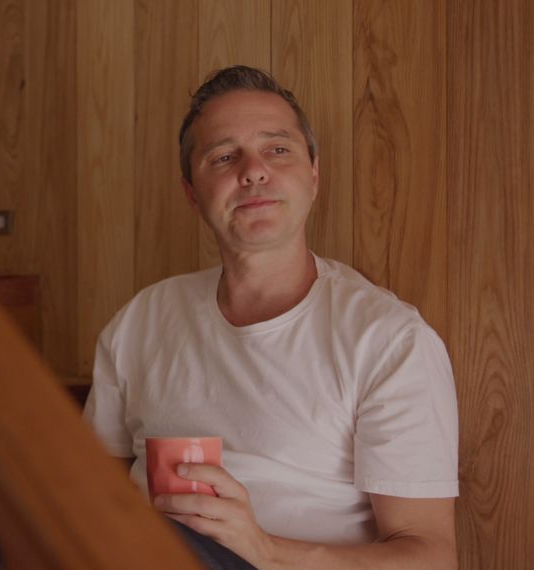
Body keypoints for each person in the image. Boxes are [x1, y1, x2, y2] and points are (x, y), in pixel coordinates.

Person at [83, 66, 459, 569]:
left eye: (277, 149)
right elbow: (87, 493)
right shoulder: (141, 321)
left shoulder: (388, 339)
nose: (254, 171)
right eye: (223, 156)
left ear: (314, 175)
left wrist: (262, 548)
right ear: (193, 193)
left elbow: (430, 558)